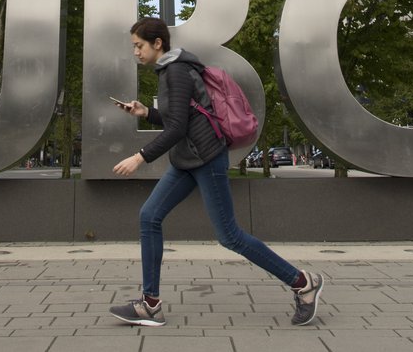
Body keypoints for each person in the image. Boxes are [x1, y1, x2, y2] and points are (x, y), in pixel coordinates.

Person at [109, 17, 325, 328]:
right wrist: (147, 112)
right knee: (149, 216)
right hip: (187, 160)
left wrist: (139, 157)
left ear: (157, 44)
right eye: (133, 47)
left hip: (207, 159)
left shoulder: (177, 71)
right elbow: (179, 119)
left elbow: (178, 128)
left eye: (139, 46)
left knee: (230, 236)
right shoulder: (169, 70)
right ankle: (150, 304)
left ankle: (304, 283)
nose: (136, 52)